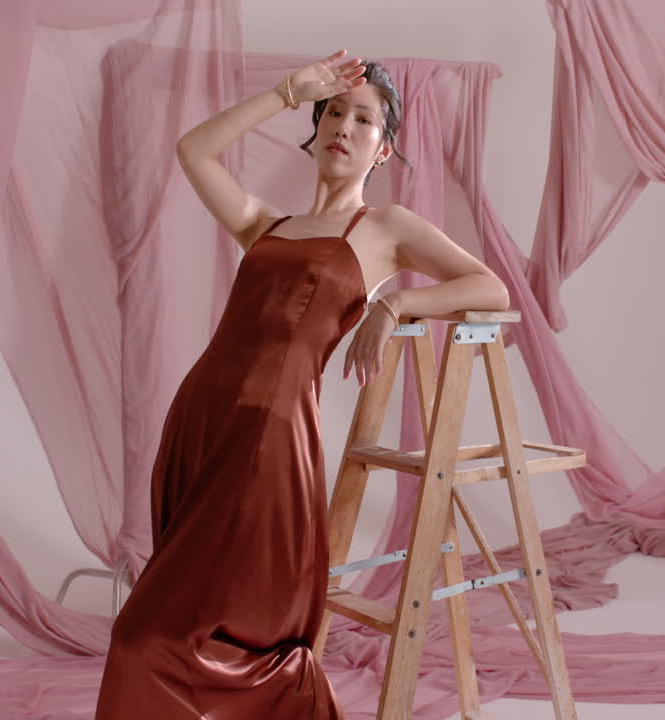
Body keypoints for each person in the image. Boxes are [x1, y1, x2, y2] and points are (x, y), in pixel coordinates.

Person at [94, 50, 510, 719]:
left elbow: (489, 286)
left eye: (364, 119)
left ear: (384, 149)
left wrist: (395, 304)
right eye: (335, 112)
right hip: (201, 424)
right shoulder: (266, 225)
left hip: (270, 436)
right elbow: (193, 151)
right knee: (172, 618)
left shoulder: (385, 229)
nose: (344, 126)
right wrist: (288, 92)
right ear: (314, 130)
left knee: (156, 637)